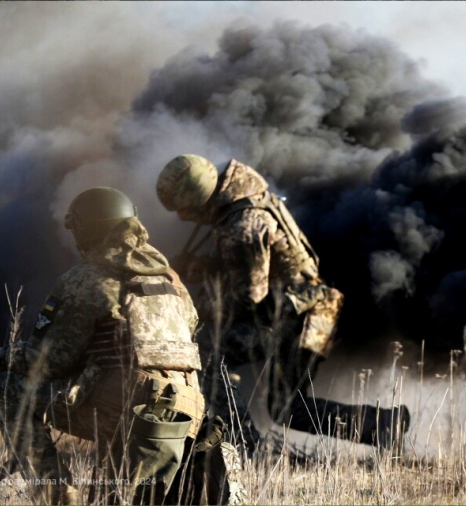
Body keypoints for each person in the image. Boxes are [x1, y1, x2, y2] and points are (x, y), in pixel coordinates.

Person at [155, 155, 410, 454]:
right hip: (303, 309)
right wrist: (205, 268)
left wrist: (197, 313)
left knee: (206, 355)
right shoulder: (246, 203)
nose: (184, 218)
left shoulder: (241, 225)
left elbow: (248, 296)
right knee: (287, 407)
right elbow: (257, 268)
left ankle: (244, 446)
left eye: (184, 209)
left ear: (197, 199)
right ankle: (381, 425)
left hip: (297, 316)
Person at [0, 187, 207, 505]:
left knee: (7, 388)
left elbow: (50, 359)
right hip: (187, 408)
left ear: (85, 230)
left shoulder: (86, 279)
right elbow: (190, 329)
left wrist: (5, 357)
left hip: (127, 407)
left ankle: (57, 495)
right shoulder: (171, 279)